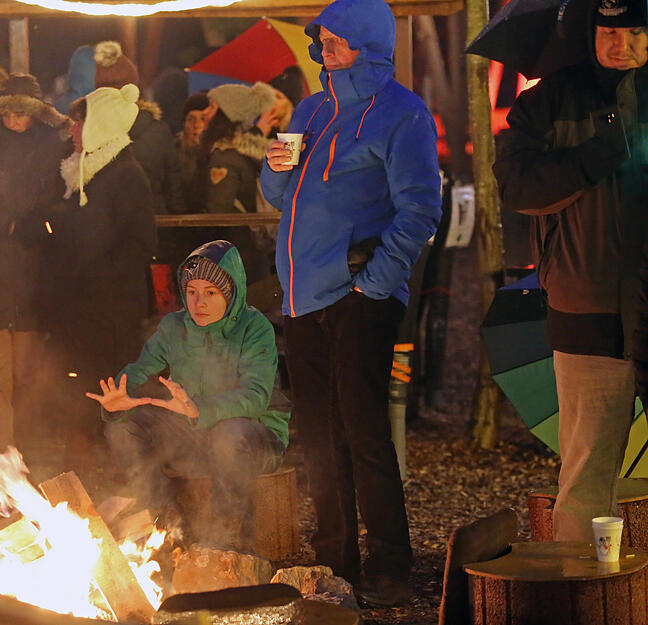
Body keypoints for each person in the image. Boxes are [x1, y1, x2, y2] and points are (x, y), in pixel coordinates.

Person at [261, 0, 441, 607]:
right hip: (304, 296)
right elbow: (278, 197)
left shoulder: (401, 113)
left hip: (360, 296)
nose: (322, 49)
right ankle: (336, 560)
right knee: (317, 434)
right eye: (322, 40)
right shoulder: (312, 110)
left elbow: (420, 209)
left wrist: (374, 283)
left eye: (335, 41)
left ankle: (390, 563)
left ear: (367, 44)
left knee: (364, 432)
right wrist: (273, 167)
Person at [495, 0, 648, 544]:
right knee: (586, 476)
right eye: (610, 30)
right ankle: (582, 597)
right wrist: (592, 158)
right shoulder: (546, 103)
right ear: (588, 30)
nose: (621, 43)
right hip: (587, 311)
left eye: (635, 30)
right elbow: (517, 188)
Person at [87, 240, 289, 550]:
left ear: (231, 291)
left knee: (228, 433)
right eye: (192, 292)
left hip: (254, 438)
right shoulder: (175, 326)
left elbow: (256, 397)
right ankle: (163, 520)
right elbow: (141, 368)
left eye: (210, 293)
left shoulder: (254, 327)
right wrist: (120, 395)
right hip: (194, 434)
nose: (199, 303)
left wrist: (199, 408)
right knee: (122, 425)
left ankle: (227, 534)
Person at [0, 73, 72, 449]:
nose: (13, 120)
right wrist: (7, 224)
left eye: (22, 113)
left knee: (28, 375)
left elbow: (61, 199)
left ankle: (30, 455)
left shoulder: (53, 150)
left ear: (37, 114)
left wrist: (42, 225)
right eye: (7, 112)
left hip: (33, 279)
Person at [45, 84, 157, 472]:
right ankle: (81, 477)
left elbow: (139, 242)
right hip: (82, 309)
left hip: (109, 312)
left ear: (100, 126)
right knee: (81, 392)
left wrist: (94, 279)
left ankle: (115, 476)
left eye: (78, 123)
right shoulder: (83, 174)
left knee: (105, 391)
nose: (71, 131)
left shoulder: (125, 175)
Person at [92, 41, 185, 214]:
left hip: (105, 225)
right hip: (153, 220)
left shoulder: (89, 132)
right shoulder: (158, 131)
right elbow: (173, 187)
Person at [200, 82, 277, 284]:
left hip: (231, 260)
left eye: (211, 107)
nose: (204, 114)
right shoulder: (246, 154)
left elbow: (217, 214)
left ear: (226, 115)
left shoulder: (224, 159)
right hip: (249, 256)